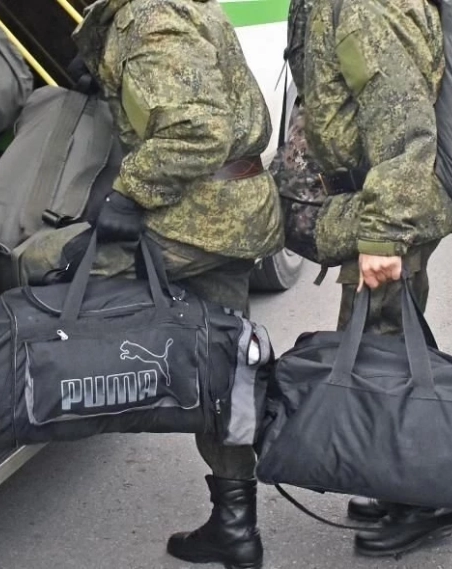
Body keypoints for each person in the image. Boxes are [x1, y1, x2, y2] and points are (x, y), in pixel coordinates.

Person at [72, 0, 284, 567]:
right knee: (224, 369)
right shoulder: (164, 9)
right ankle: (236, 526)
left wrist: (127, 194)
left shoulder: (149, 20)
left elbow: (198, 130)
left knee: (48, 267)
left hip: (201, 218)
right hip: (228, 214)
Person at [298, 0, 452, 556]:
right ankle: (400, 486)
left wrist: (383, 237)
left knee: (386, 357)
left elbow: (404, 125)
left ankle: (424, 499)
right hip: (380, 201)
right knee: (385, 349)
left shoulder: (367, 7)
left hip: (390, 207)